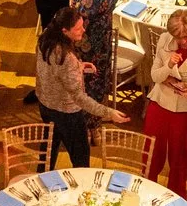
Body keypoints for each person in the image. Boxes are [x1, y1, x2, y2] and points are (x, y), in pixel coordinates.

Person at [34, 12, 123, 166]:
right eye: (78, 29)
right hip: (66, 113)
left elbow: (54, 70)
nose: (83, 31)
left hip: (45, 105)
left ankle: (42, 182)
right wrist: (108, 113)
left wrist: (79, 66)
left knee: (48, 151)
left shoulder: (45, 40)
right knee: (81, 158)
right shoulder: (67, 58)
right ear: (64, 31)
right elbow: (79, 98)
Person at [142, 7, 187, 193]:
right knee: (151, 152)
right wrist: (168, 67)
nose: (183, 41)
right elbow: (154, 76)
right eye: (178, 38)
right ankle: (146, 191)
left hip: (185, 108)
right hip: (159, 102)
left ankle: (177, 198)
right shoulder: (164, 39)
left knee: (180, 158)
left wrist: (185, 85)